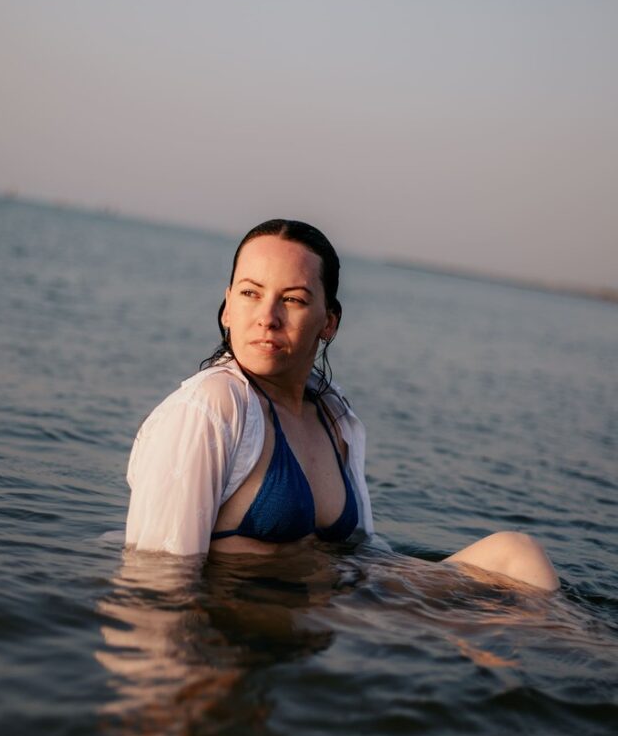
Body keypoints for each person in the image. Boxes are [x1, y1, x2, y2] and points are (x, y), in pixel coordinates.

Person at [125, 219, 558, 591]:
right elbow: (157, 577)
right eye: (250, 293)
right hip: (264, 618)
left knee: (517, 555)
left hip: (344, 605)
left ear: (329, 322)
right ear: (227, 308)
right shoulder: (210, 407)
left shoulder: (332, 414)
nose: (267, 317)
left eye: (292, 299)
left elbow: (360, 548)